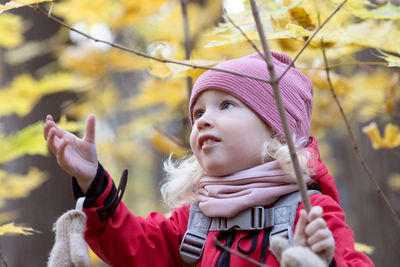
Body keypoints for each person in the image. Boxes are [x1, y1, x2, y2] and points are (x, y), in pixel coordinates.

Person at [44, 52, 374, 266]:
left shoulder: (309, 211)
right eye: (198, 112)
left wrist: (323, 260)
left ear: (277, 131)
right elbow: (135, 248)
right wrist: (94, 181)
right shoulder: (197, 220)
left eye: (226, 105)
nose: (202, 120)